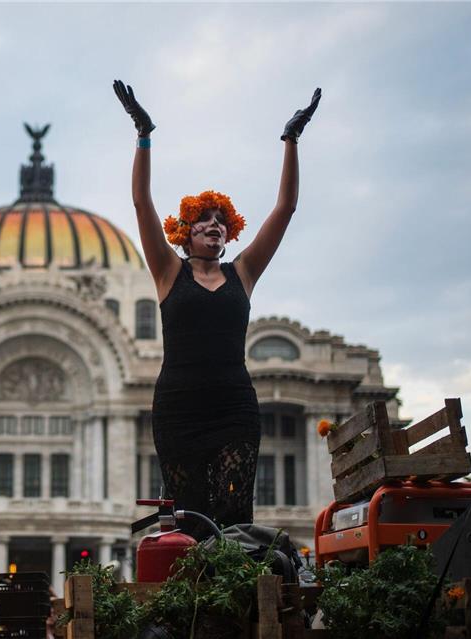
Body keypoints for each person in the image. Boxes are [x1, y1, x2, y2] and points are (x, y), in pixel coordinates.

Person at [113, 80, 321, 540]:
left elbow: (286, 208)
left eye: (221, 222)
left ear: (229, 234)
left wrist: (291, 140)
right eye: (204, 221)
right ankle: (196, 607)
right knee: (190, 519)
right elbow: (141, 203)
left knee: (232, 513)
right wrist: (143, 135)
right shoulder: (168, 272)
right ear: (185, 232)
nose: (214, 227)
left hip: (233, 407)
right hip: (178, 407)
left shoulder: (242, 273)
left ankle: (236, 603)